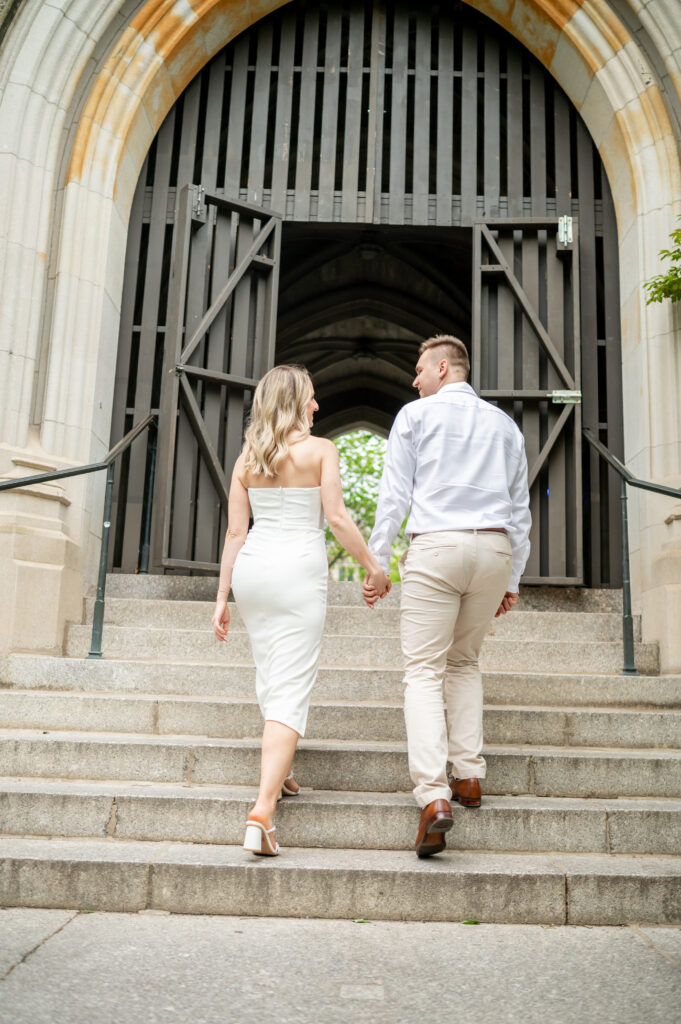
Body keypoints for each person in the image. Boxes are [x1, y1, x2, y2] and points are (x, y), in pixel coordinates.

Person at [363, 335, 531, 858]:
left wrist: (376, 561)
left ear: (442, 367)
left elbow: (394, 496)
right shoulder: (505, 425)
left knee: (423, 670)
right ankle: (471, 775)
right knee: (464, 663)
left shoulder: (415, 417)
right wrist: (513, 580)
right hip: (494, 550)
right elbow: (520, 508)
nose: (414, 380)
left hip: (436, 547)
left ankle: (434, 796)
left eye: (418, 370)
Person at [211, 365, 390, 857]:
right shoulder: (321, 451)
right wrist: (374, 568)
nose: (316, 407)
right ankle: (263, 810)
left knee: (272, 673)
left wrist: (223, 595)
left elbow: (234, 534)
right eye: (311, 398)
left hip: (253, 573)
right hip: (297, 575)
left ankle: (282, 770)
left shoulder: (247, 459)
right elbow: (335, 517)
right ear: (293, 403)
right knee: (290, 687)